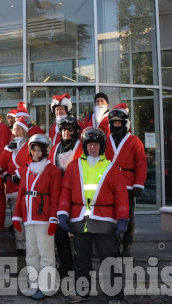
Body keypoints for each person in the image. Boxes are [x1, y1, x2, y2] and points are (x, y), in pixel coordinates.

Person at [58, 128, 129, 303]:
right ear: (84, 146)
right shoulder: (74, 166)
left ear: (102, 146)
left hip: (104, 219)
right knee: (81, 259)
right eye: (89, 144)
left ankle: (115, 296)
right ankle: (82, 292)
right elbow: (66, 192)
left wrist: (123, 219)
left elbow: (121, 194)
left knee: (108, 259)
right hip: (80, 219)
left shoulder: (110, 167)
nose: (92, 148)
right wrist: (62, 213)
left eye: (96, 144)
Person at [12, 134, 62, 300]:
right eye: (34, 150)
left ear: (45, 151)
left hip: (44, 218)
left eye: (39, 150)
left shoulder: (53, 170)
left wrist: (54, 218)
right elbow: (21, 194)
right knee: (31, 254)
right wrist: (17, 216)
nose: (36, 153)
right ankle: (33, 284)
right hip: (29, 217)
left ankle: (47, 287)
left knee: (46, 255)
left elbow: (55, 195)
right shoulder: (26, 170)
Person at [105, 103, 147, 257]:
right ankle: (114, 244)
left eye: (119, 122)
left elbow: (141, 163)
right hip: (110, 186)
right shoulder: (105, 140)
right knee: (111, 216)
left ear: (125, 123)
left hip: (128, 185)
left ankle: (127, 245)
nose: (117, 125)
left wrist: (139, 183)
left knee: (128, 217)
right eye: (114, 122)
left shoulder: (134, 141)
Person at [48, 115, 82, 276]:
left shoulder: (82, 147)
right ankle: (65, 263)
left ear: (76, 132)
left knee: (79, 231)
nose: (66, 133)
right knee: (60, 233)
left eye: (70, 130)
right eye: (63, 130)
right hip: (58, 194)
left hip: (78, 195)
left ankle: (80, 262)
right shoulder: (54, 148)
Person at [0, 116, 30, 256]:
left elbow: (30, 162)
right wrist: (7, 150)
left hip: (24, 184)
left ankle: (30, 244)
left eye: (18, 129)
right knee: (16, 217)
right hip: (11, 185)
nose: (15, 131)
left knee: (26, 216)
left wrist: (18, 173)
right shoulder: (9, 145)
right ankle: (20, 245)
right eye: (14, 129)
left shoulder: (29, 144)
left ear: (24, 130)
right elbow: (1, 163)